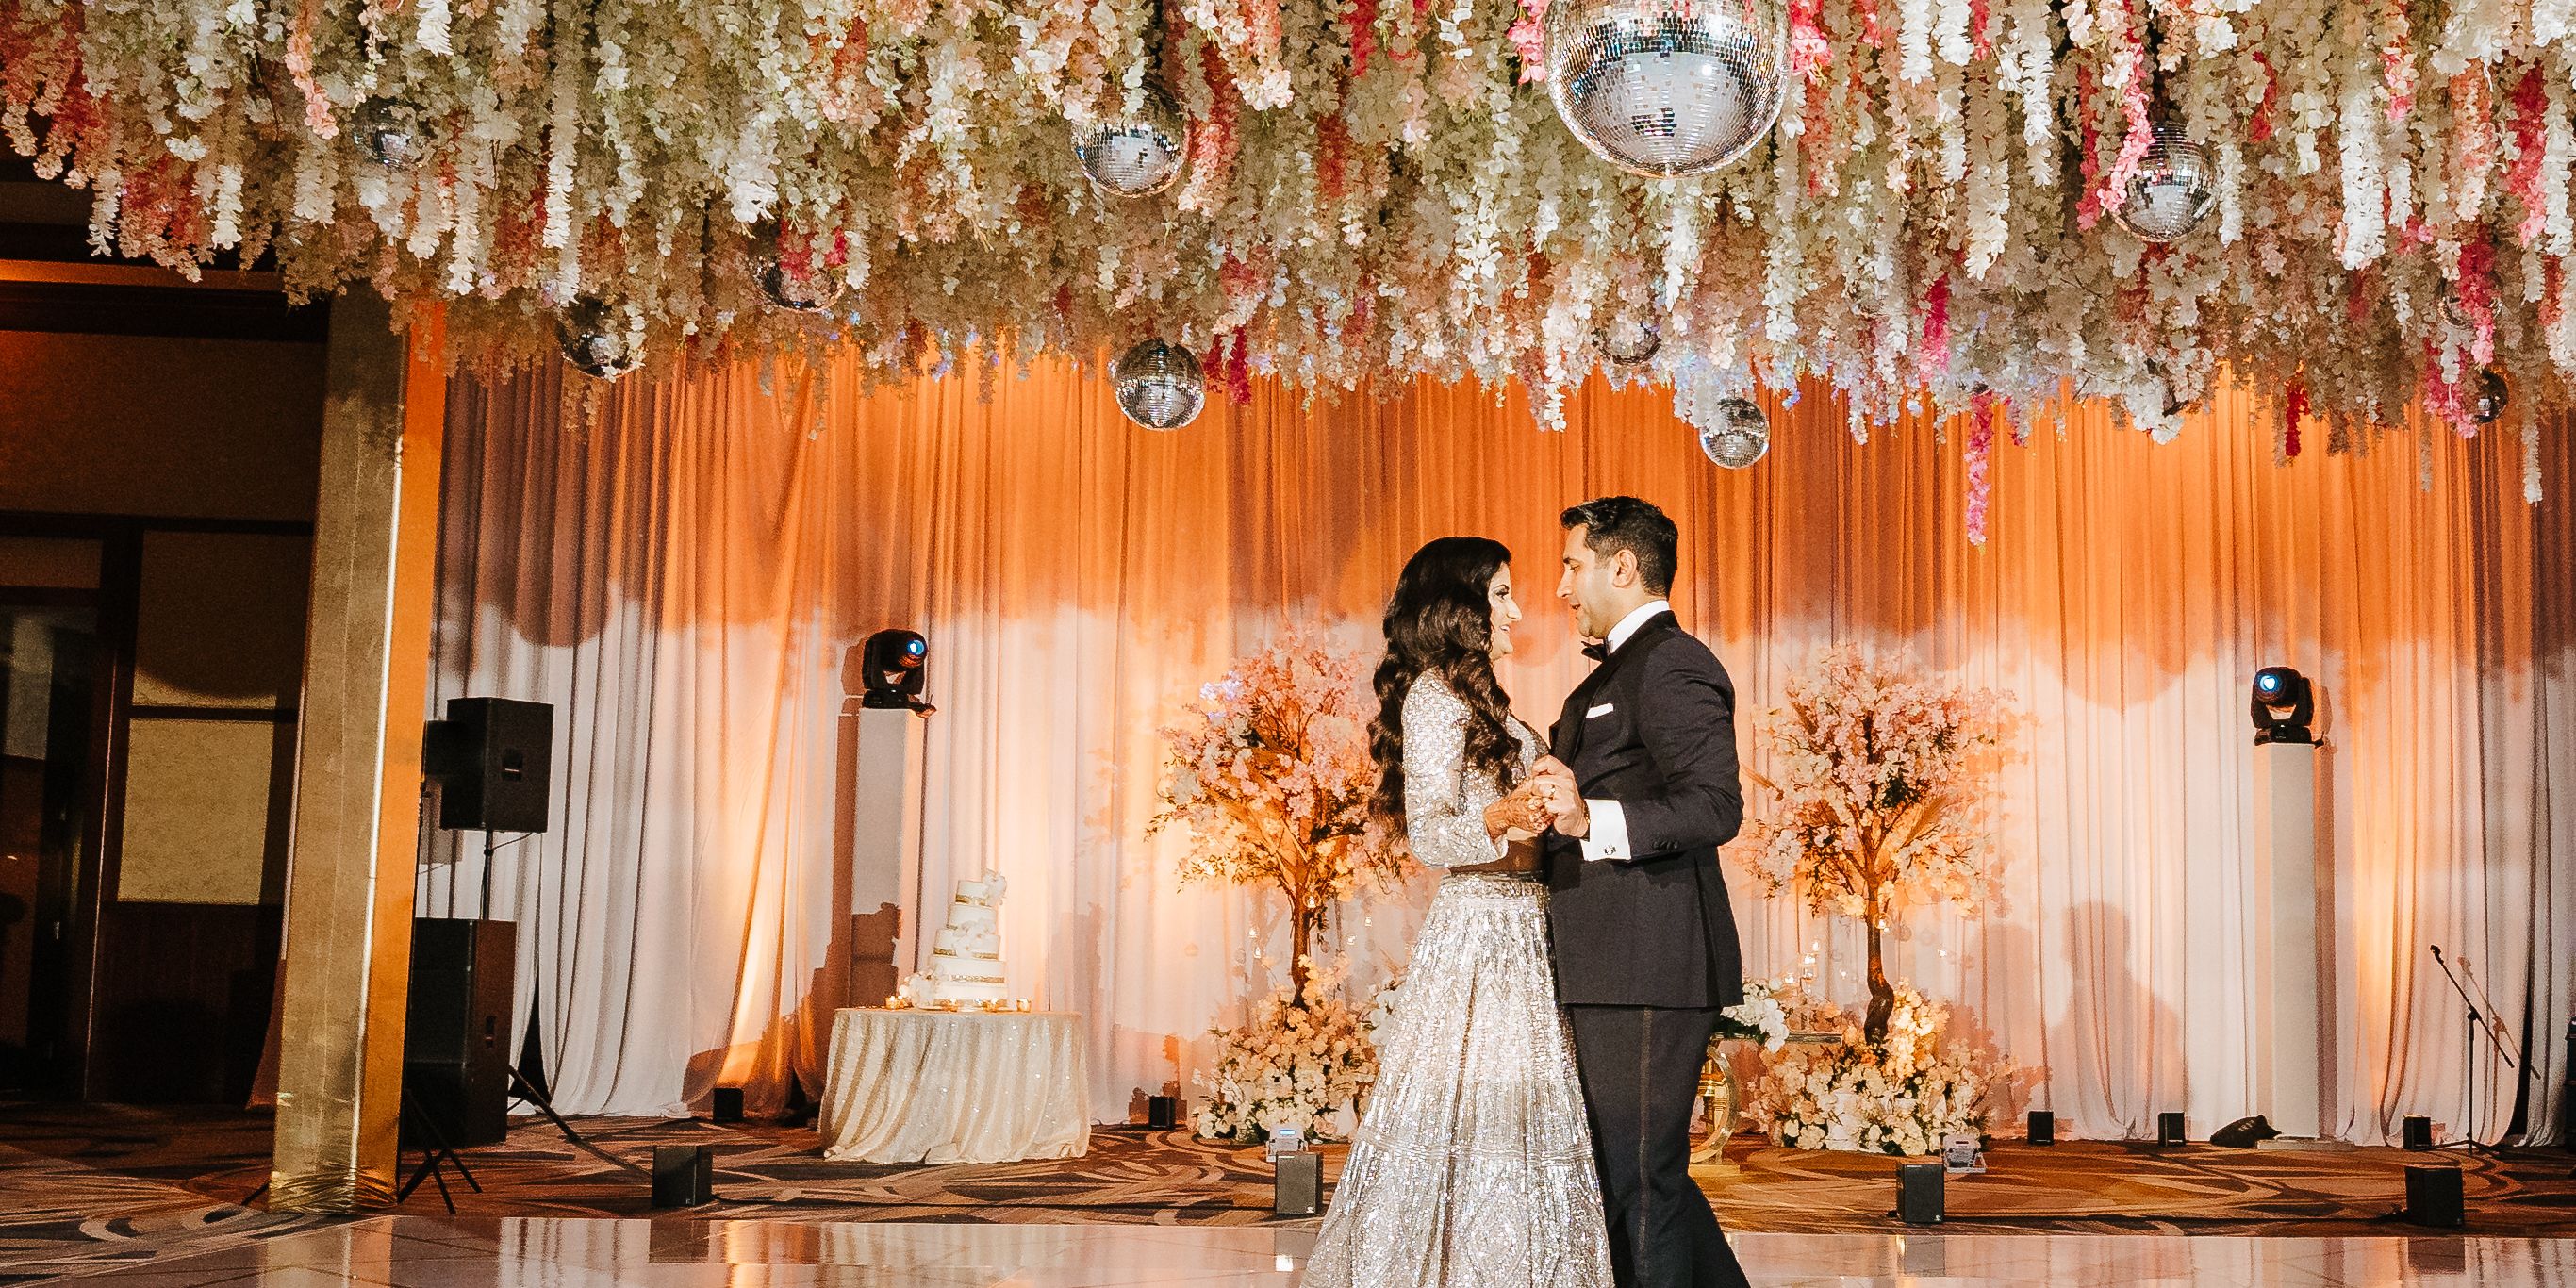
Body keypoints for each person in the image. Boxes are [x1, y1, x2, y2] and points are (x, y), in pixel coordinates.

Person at [1301, 536, 1614, 1288]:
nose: (1519, 609)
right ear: (1460, 608)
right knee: (1475, 1106)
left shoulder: (1488, 704)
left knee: (1523, 1104)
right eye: (1503, 594)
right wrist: (1505, 813)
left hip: (1524, 920)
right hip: (1480, 929)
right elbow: (1431, 834)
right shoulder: (1435, 697)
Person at [1527, 496, 1751, 1288]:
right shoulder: (1615, 673)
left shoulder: (1672, 662)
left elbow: (1715, 803)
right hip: (1607, 965)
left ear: (1621, 566)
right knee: (1640, 1178)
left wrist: (1593, 817)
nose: (1560, 587)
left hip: (1650, 964)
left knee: (1641, 1182)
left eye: (1571, 564)